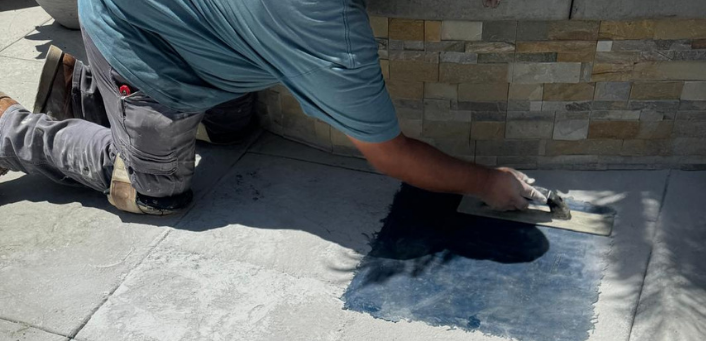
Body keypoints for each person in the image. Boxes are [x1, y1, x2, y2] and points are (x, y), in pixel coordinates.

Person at [0, 0, 546, 215]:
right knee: (155, 192)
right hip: (135, 38)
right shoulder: (327, 32)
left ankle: (83, 88)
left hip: (196, 37)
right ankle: (11, 126)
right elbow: (390, 155)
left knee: (234, 131)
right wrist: (486, 181)